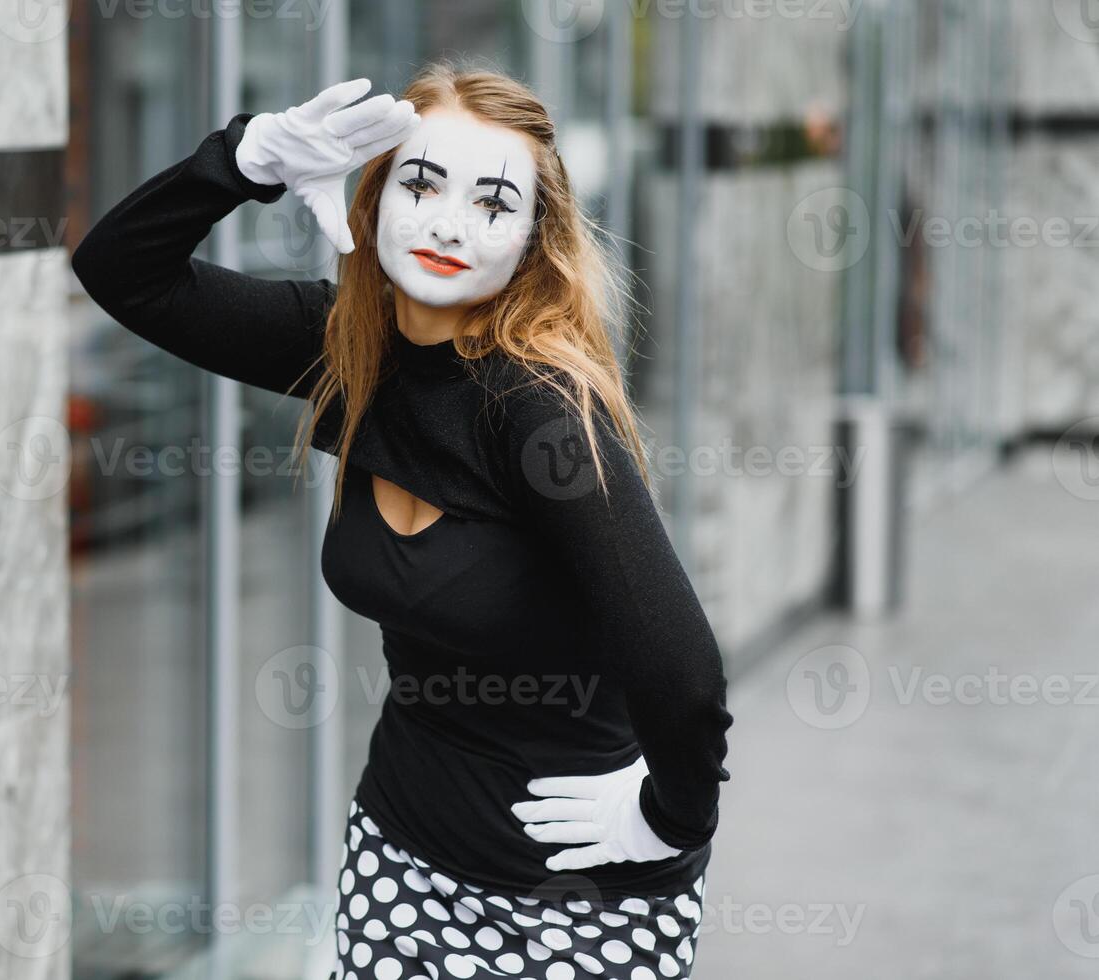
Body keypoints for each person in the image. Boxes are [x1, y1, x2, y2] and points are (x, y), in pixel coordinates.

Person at [72, 60, 733, 980]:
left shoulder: (540, 409)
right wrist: (243, 159)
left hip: (577, 896)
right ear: (373, 197)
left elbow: (684, 668)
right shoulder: (349, 353)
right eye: (421, 183)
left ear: (532, 242)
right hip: (401, 860)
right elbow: (122, 274)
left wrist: (671, 817)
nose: (450, 224)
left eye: (494, 204)